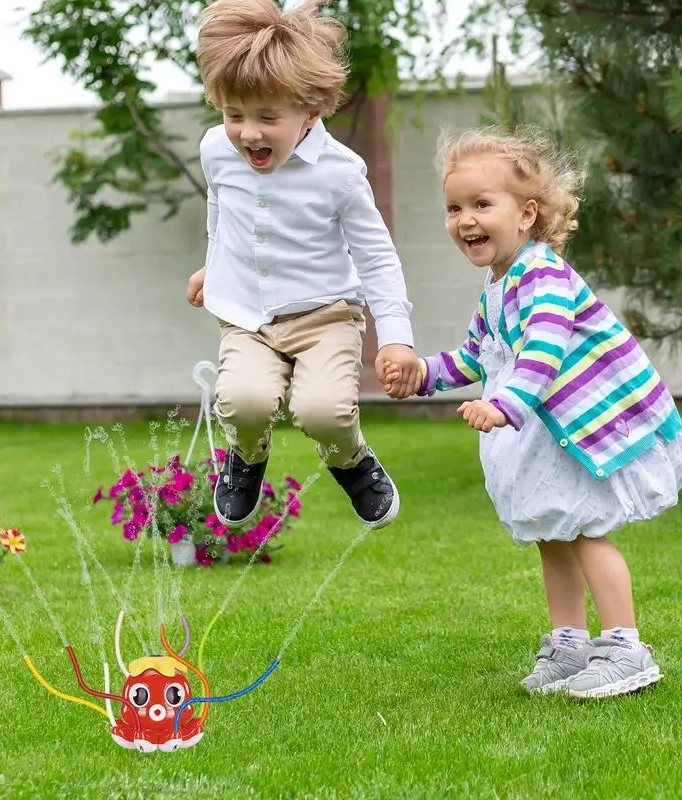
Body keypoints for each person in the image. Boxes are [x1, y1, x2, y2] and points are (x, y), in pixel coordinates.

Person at [383, 124, 682, 698]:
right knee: (554, 533)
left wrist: (506, 405)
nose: (465, 219)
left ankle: (625, 645)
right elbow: (476, 355)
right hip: (548, 433)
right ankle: (569, 642)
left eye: (481, 204)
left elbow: (544, 347)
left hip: (579, 426)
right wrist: (422, 374)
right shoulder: (498, 286)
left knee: (588, 530)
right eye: (454, 208)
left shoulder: (542, 274)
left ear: (525, 214)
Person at [185, 0, 419, 531]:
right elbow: (222, 212)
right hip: (248, 317)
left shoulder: (340, 172)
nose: (248, 134)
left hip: (325, 316)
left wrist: (396, 337)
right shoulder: (215, 150)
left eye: (268, 118)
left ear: (310, 110)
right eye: (234, 115)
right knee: (242, 402)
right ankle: (247, 456)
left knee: (322, 412)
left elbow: (376, 255)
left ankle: (351, 460)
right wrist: (211, 265)